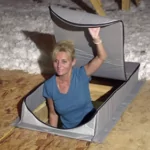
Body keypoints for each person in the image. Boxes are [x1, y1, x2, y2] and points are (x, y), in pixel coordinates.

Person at [43, 27, 107, 129]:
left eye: (64, 61)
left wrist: (96, 38)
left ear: (73, 62)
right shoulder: (49, 86)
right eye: (56, 61)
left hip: (91, 124)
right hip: (69, 131)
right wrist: (53, 134)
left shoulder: (81, 75)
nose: (59, 65)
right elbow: (53, 114)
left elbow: (101, 57)